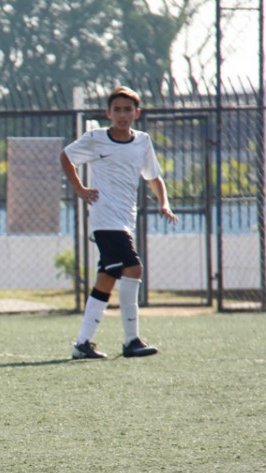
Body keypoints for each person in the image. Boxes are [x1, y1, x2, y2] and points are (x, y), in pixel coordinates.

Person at [61, 85, 178, 360]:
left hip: (125, 219)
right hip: (104, 218)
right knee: (133, 268)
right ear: (108, 113)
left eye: (127, 109)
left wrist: (164, 202)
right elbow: (66, 156)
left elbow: (153, 176)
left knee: (107, 278)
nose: (122, 114)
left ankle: (82, 344)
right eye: (117, 110)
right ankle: (131, 340)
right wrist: (79, 189)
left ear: (136, 113)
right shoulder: (96, 138)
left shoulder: (142, 141)